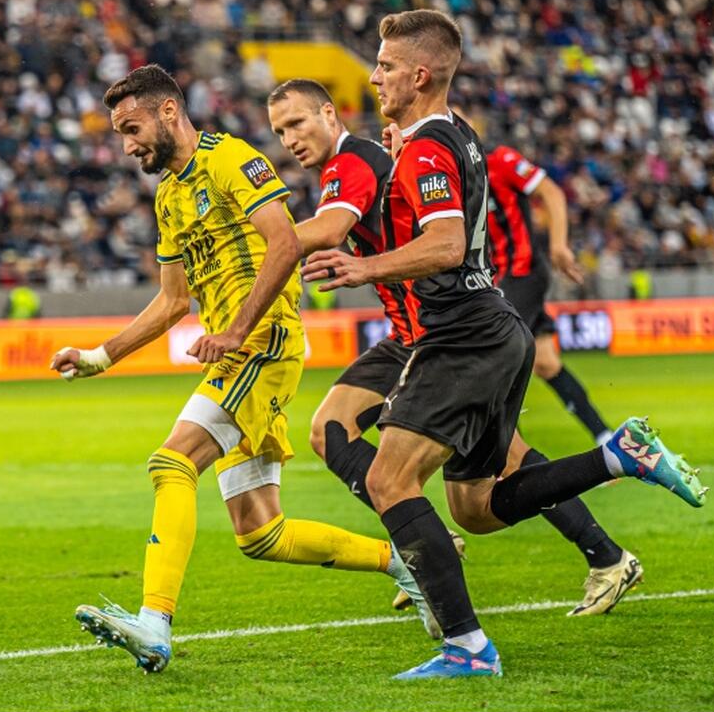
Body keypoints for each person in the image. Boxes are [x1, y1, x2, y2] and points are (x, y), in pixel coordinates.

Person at [300, 10, 707, 679]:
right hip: (489, 329)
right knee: (477, 508)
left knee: (387, 478)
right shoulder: (454, 134)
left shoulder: (429, 146)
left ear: (421, 74)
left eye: (387, 66)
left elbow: (446, 244)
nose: (374, 76)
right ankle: (618, 456)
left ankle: (467, 646)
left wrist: (362, 266)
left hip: (461, 332)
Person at [49, 64, 435, 675]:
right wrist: (101, 356)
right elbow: (174, 300)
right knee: (261, 533)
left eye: (131, 127)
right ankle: (412, 564)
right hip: (241, 348)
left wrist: (234, 330)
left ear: (169, 112)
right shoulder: (169, 194)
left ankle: (154, 623)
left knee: (172, 461)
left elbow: (284, 241)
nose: (126, 145)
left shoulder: (230, 159)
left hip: (261, 342)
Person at [267, 78, 643, 618]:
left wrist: (239, 235)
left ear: (329, 114)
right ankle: (589, 551)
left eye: (297, 123)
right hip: (411, 335)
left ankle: (592, 552)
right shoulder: (368, 159)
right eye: (280, 131)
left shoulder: (355, 162)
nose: (289, 138)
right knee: (335, 429)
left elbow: (330, 229)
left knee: (494, 466)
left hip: (443, 335)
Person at [486, 143, 612, 445]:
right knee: (545, 363)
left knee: (491, 359)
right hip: (498, 278)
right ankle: (605, 438)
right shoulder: (450, 170)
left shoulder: (498, 159)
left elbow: (552, 192)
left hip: (522, 271)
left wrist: (559, 245)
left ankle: (510, 463)